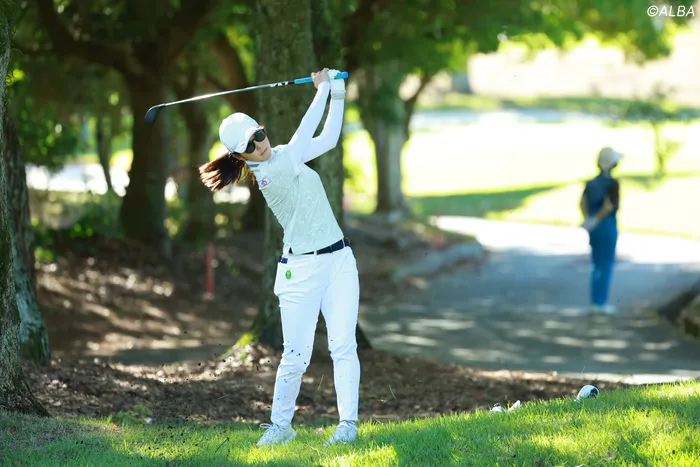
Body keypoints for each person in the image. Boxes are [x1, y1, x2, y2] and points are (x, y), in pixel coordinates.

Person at [198, 68, 360, 447]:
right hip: (300, 271)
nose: (260, 145)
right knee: (296, 356)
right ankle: (281, 426)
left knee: (343, 346)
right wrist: (321, 89)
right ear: (239, 155)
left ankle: (348, 427)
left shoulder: (285, 154)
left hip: (339, 260)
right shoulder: (269, 175)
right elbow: (305, 133)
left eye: (260, 135)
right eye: (250, 145)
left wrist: (337, 90)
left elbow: (328, 138)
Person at [579, 146, 623, 314]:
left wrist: (588, 220)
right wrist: (597, 220)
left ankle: (595, 300)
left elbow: (582, 202)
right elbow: (609, 206)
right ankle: (601, 302)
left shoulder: (590, 183)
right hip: (606, 224)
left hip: (593, 226)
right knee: (606, 264)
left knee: (596, 263)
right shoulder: (613, 184)